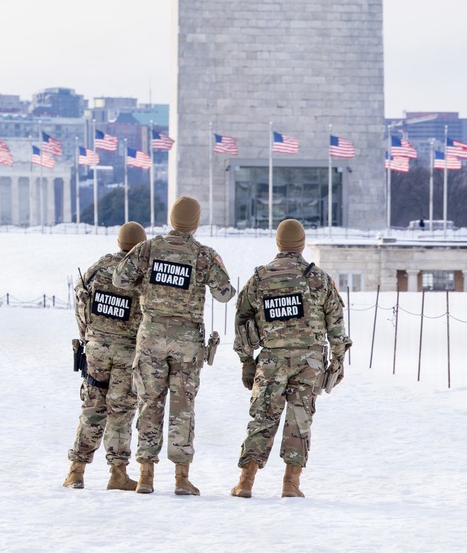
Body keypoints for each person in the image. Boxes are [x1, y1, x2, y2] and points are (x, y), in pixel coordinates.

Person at [113, 196, 235, 496]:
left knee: (148, 404)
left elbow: (120, 280)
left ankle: (145, 476)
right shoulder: (204, 255)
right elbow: (225, 294)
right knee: (182, 408)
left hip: (151, 336)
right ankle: (181, 478)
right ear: (195, 223)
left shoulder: (149, 248)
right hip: (187, 342)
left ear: (171, 218)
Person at [230, 218, 348, 500]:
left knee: (262, 418)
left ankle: (246, 482)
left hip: (271, 360)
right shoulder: (318, 278)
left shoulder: (260, 278)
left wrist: (247, 361)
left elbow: (242, 320)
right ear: (302, 244)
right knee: (300, 419)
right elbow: (336, 323)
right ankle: (290, 484)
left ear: (279, 244)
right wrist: (338, 360)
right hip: (310, 362)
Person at [63, 221, 146, 491]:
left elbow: (80, 302)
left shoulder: (97, 267)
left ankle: (76, 471)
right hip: (128, 350)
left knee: (92, 408)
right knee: (121, 411)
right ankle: (118, 473)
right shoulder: (142, 272)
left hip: (96, 347)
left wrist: (88, 336)